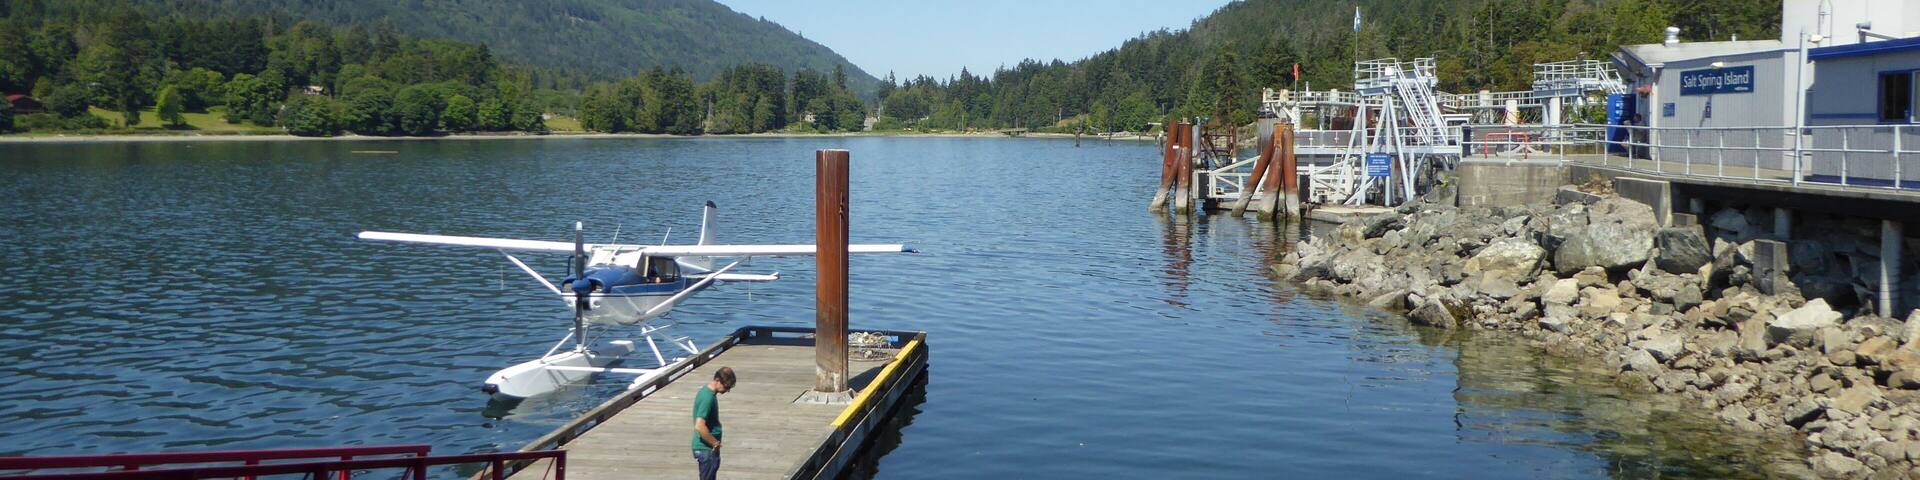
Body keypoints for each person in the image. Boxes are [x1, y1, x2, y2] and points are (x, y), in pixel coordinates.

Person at [692, 367, 735, 480]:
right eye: (726, 386)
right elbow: (699, 425)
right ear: (717, 380)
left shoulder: (708, 393)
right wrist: (715, 444)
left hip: (707, 449)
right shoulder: (708, 398)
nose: (727, 390)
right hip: (706, 449)